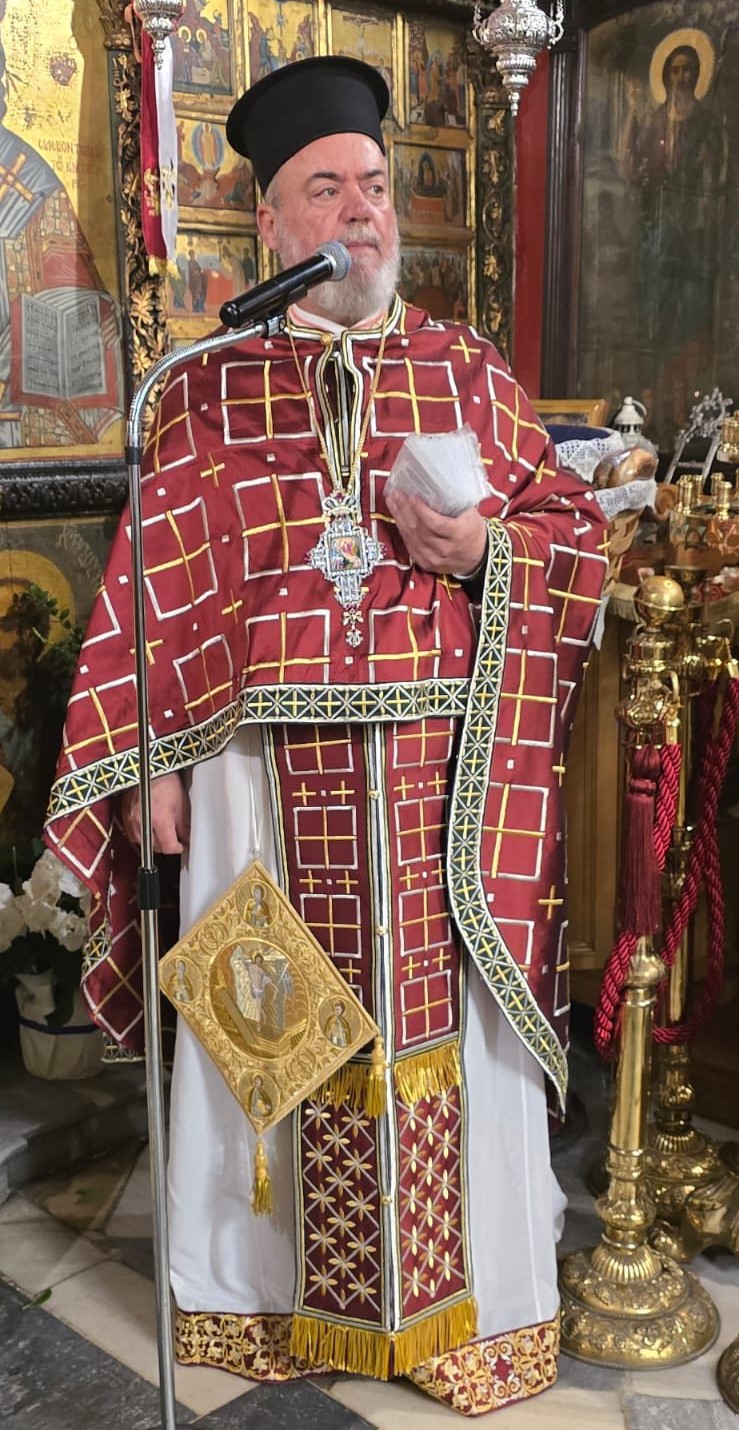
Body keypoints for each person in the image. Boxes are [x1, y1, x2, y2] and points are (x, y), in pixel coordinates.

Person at [45, 56, 607, 1417]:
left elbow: (573, 535)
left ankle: (466, 1313)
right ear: (272, 224)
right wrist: (153, 762)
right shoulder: (205, 387)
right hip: (255, 785)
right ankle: (259, 1298)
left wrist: (485, 548)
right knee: (264, 1028)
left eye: (372, 184)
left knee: (448, 1036)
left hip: (441, 787)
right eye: (325, 190)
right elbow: (157, 590)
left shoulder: (466, 370)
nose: (361, 210)